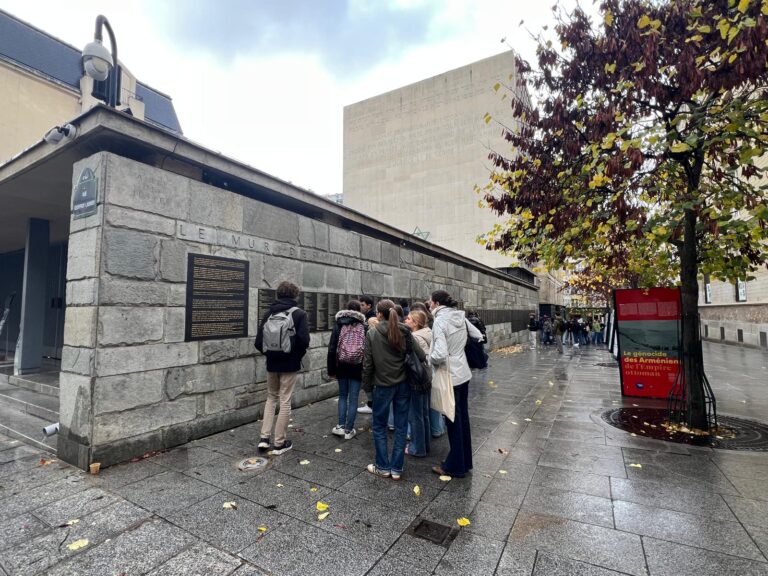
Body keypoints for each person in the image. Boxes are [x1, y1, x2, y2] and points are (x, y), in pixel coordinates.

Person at [363, 299, 424, 480]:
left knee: (379, 426)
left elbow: (367, 364)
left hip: (382, 385)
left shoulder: (372, 333)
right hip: (403, 384)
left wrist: (367, 387)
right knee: (400, 425)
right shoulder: (405, 331)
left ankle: (382, 466)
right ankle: (397, 468)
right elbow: (420, 355)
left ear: (379, 314)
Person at [429, 290, 482, 479]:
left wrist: (429, 359)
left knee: (452, 420)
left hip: (449, 375)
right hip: (463, 373)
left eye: (430, 301)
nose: (429, 303)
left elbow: (439, 354)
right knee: (462, 418)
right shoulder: (460, 316)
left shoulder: (440, 321)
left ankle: (455, 466)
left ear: (436, 303)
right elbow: (478, 335)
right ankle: (464, 461)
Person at [255, 281, 310, 455]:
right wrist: (294, 356)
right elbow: (304, 341)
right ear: (295, 295)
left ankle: (264, 438)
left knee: (271, 398)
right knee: (285, 400)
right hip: (289, 364)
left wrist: (272, 355)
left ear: (278, 294)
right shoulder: (299, 314)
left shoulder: (269, 313)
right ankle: (279, 443)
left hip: (272, 363)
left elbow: (258, 342)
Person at [327, 300, 366, 440]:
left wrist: (331, 369)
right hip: (357, 366)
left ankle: (340, 426)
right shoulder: (364, 326)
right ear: (359, 311)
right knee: (354, 398)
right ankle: (349, 430)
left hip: (341, 364)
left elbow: (332, 348)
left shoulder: (339, 324)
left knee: (343, 395)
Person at [404, 310, 432, 457]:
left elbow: (418, 358)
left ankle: (418, 448)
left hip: (417, 378)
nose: (405, 320)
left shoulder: (415, 337)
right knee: (424, 413)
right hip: (426, 377)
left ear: (415, 323)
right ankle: (425, 444)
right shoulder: (428, 332)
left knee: (415, 415)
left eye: (408, 319)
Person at [357, 295, 376, 414]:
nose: (360, 307)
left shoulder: (371, 318)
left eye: (362, 305)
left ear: (369, 306)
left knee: (368, 381)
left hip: (370, 355)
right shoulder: (365, 317)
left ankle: (371, 405)